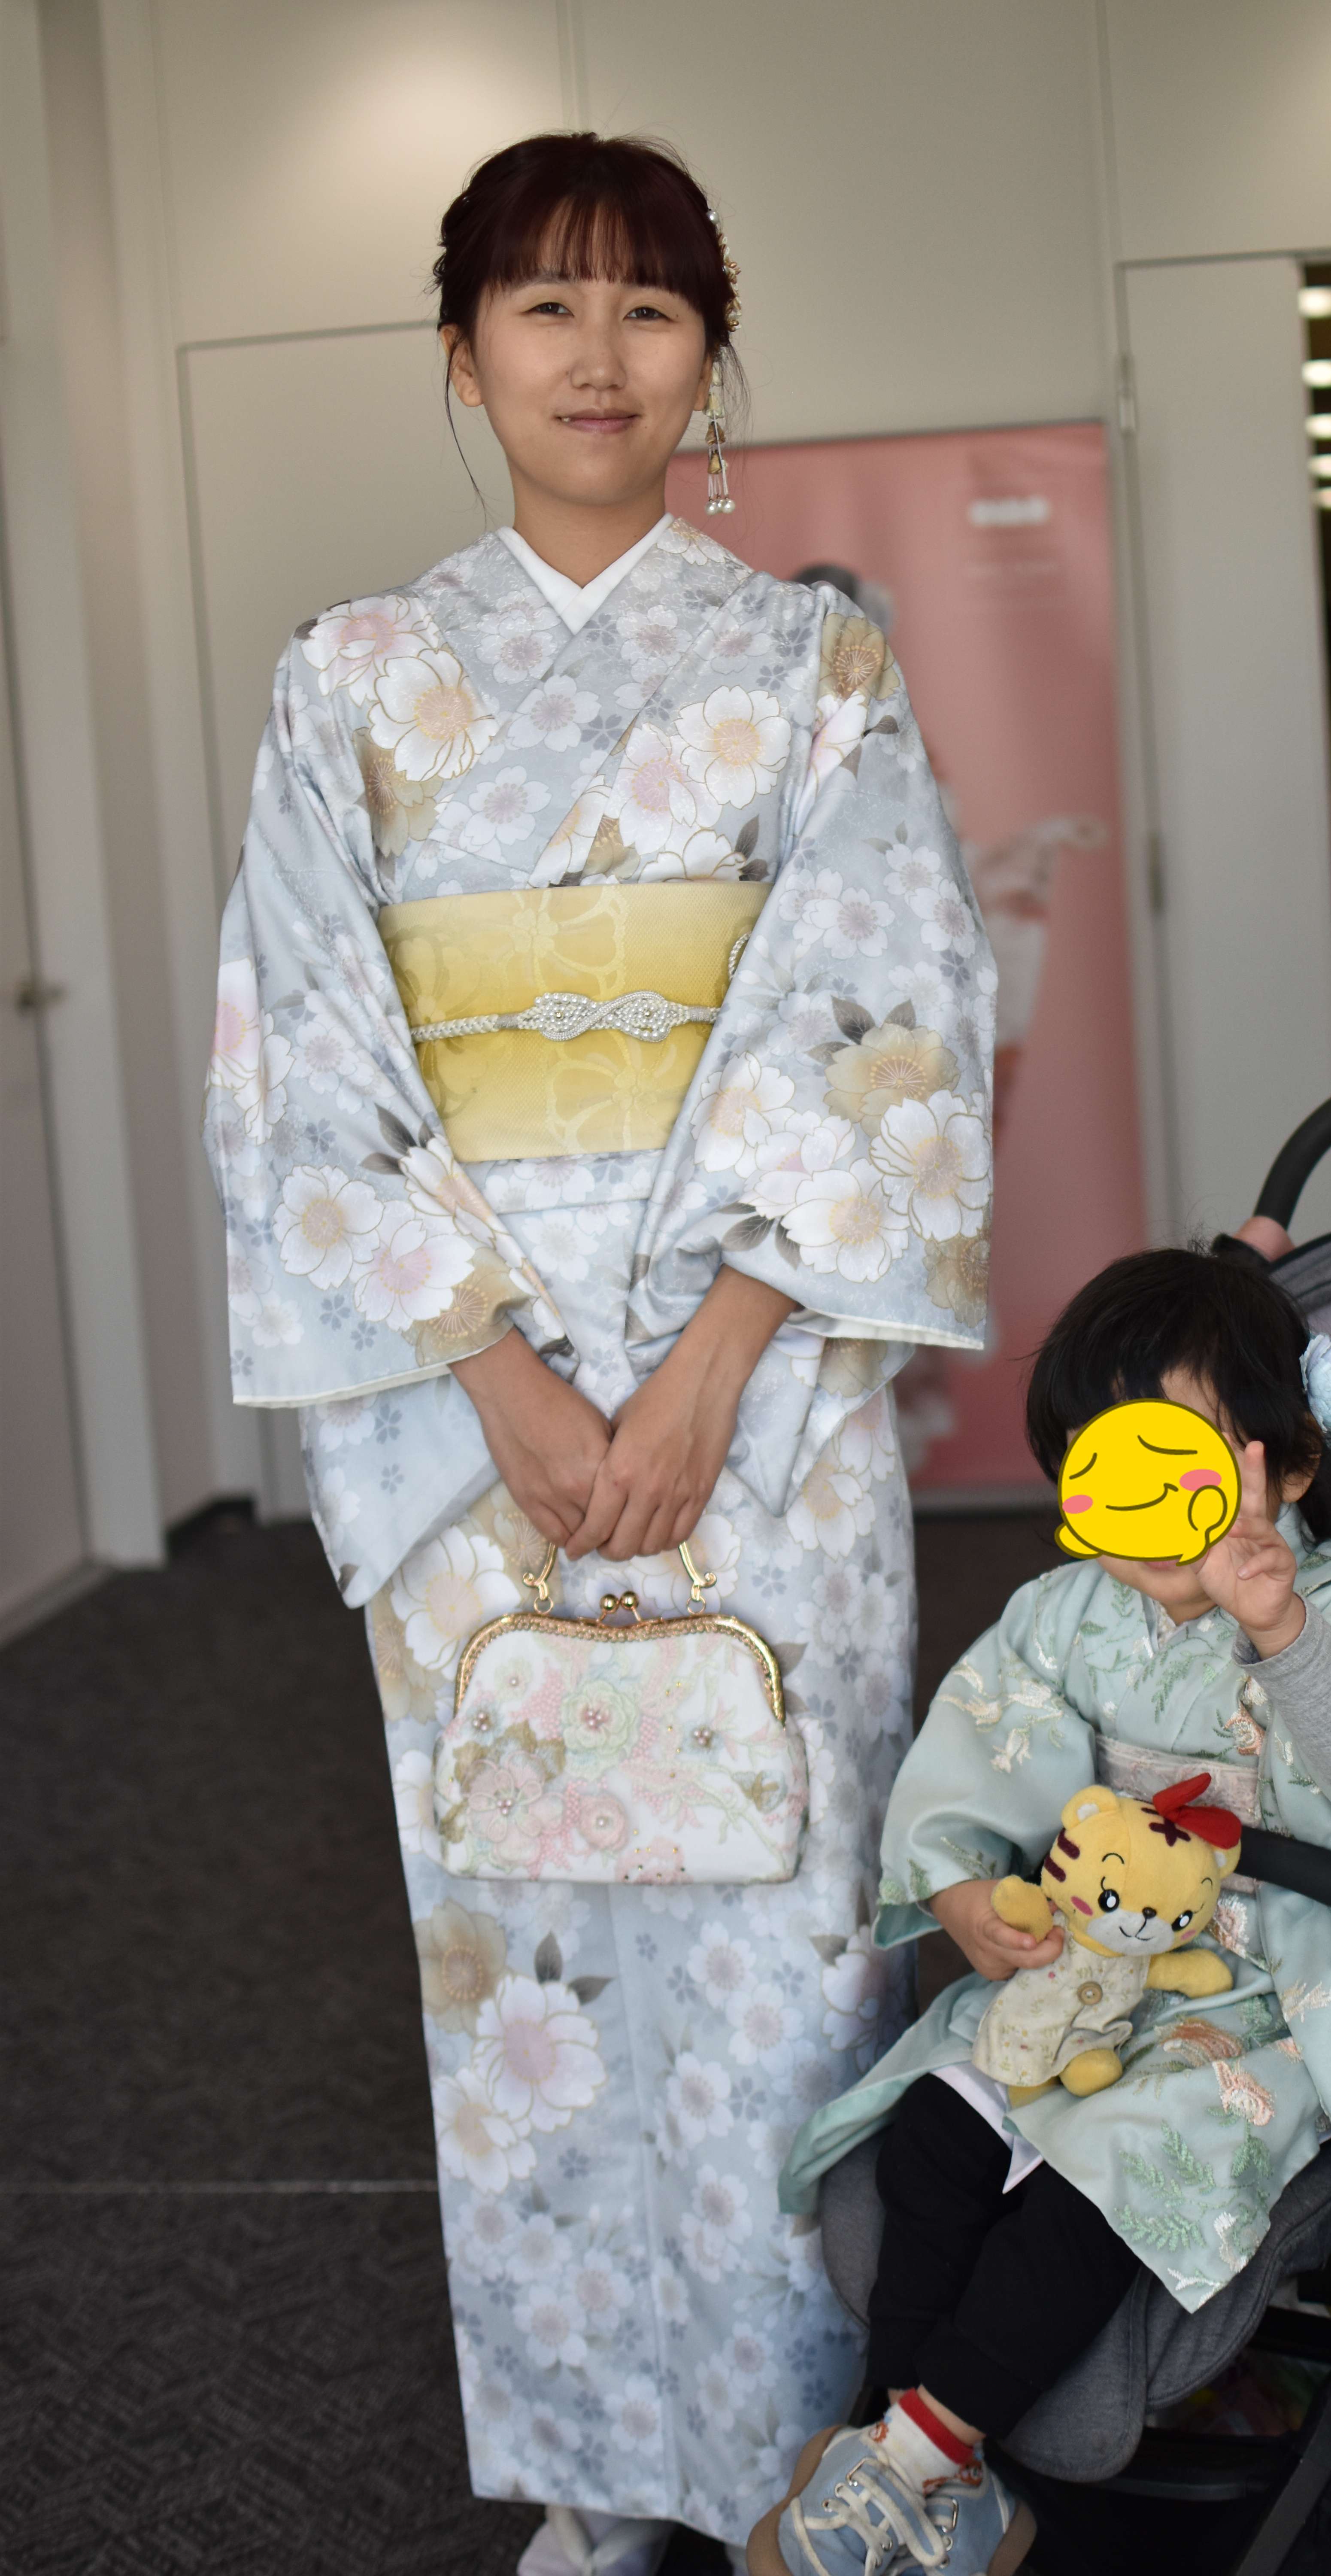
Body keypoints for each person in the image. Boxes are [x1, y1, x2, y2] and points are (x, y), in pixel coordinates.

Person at [202, 131, 994, 2576]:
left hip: (760, 1396)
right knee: (524, 1954)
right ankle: (590, 2473)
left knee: (782, 1934)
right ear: (462, 355)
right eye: (543, 306)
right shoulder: (354, 679)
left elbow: (884, 1017)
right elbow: (300, 1056)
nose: (597, 355)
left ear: (709, 359)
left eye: (649, 307)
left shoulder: (810, 667)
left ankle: (783, 2463)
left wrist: (717, 1355)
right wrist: (503, 1374)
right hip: (476, 1414)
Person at [761, 1246, 1331, 2576]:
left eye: (1181, 1459)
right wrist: (964, 1885)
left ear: (1291, 1466)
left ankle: (917, 2460)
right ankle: (915, 2458)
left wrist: (1283, 1635)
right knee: (939, 2125)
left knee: (1109, 2172)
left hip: (1286, 1992)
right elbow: (985, 1740)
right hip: (1106, 1961)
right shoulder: (1072, 1617)